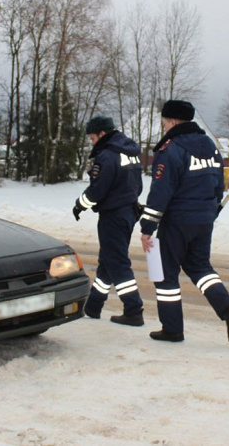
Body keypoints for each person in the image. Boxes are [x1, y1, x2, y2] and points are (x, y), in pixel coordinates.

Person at [139, 100, 229, 343]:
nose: (163, 128)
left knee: (165, 273)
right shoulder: (210, 147)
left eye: (164, 123)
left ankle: (172, 329)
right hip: (204, 219)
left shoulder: (172, 149)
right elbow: (218, 186)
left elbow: (161, 191)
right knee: (201, 268)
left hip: (177, 220)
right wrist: (209, 212)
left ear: (172, 121)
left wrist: (147, 227)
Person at [73, 115, 145, 326]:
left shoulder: (107, 156)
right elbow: (137, 186)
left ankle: (133, 309)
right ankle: (94, 306)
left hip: (113, 215)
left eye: (93, 137)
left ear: (102, 134)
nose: (92, 142)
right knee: (108, 261)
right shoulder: (130, 152)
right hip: (129, 212)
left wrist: (80, 204)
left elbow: (97, 190)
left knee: (118, 262)